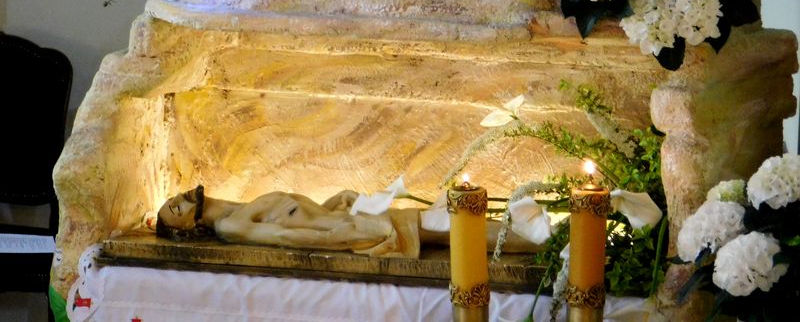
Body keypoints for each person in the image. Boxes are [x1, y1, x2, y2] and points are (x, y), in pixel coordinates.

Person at [156, 185, 540, 258]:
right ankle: (539, 239)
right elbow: (290, 237)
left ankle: (535, 235)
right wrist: (342, 238)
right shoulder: (231, 227)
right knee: (452, 228)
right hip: (356, 231)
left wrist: (335, 201)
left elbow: (302, 216)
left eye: (172, 200)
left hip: (352, 219)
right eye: (174, 209)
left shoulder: (238, 208)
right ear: (188, 229)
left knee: (449, 226)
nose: (177, 200)